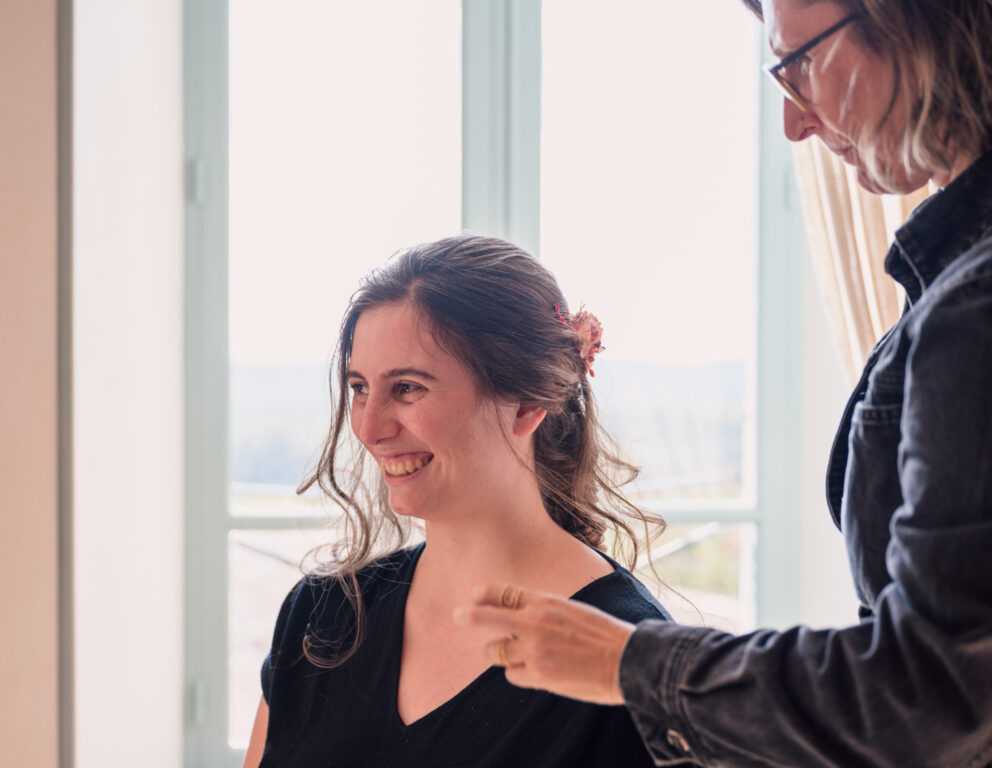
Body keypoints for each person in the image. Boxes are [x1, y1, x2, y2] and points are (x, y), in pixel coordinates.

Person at [456, 1, 992, 766]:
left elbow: (931, 697)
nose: (795, 123)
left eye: (798, 62)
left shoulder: (975, 305)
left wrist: (625, 664)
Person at [242, 234, 672, 768]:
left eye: (407, 388)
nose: (370, 427)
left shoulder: (627, 660)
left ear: (527, 404)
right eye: (358, 388)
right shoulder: (321, 615)